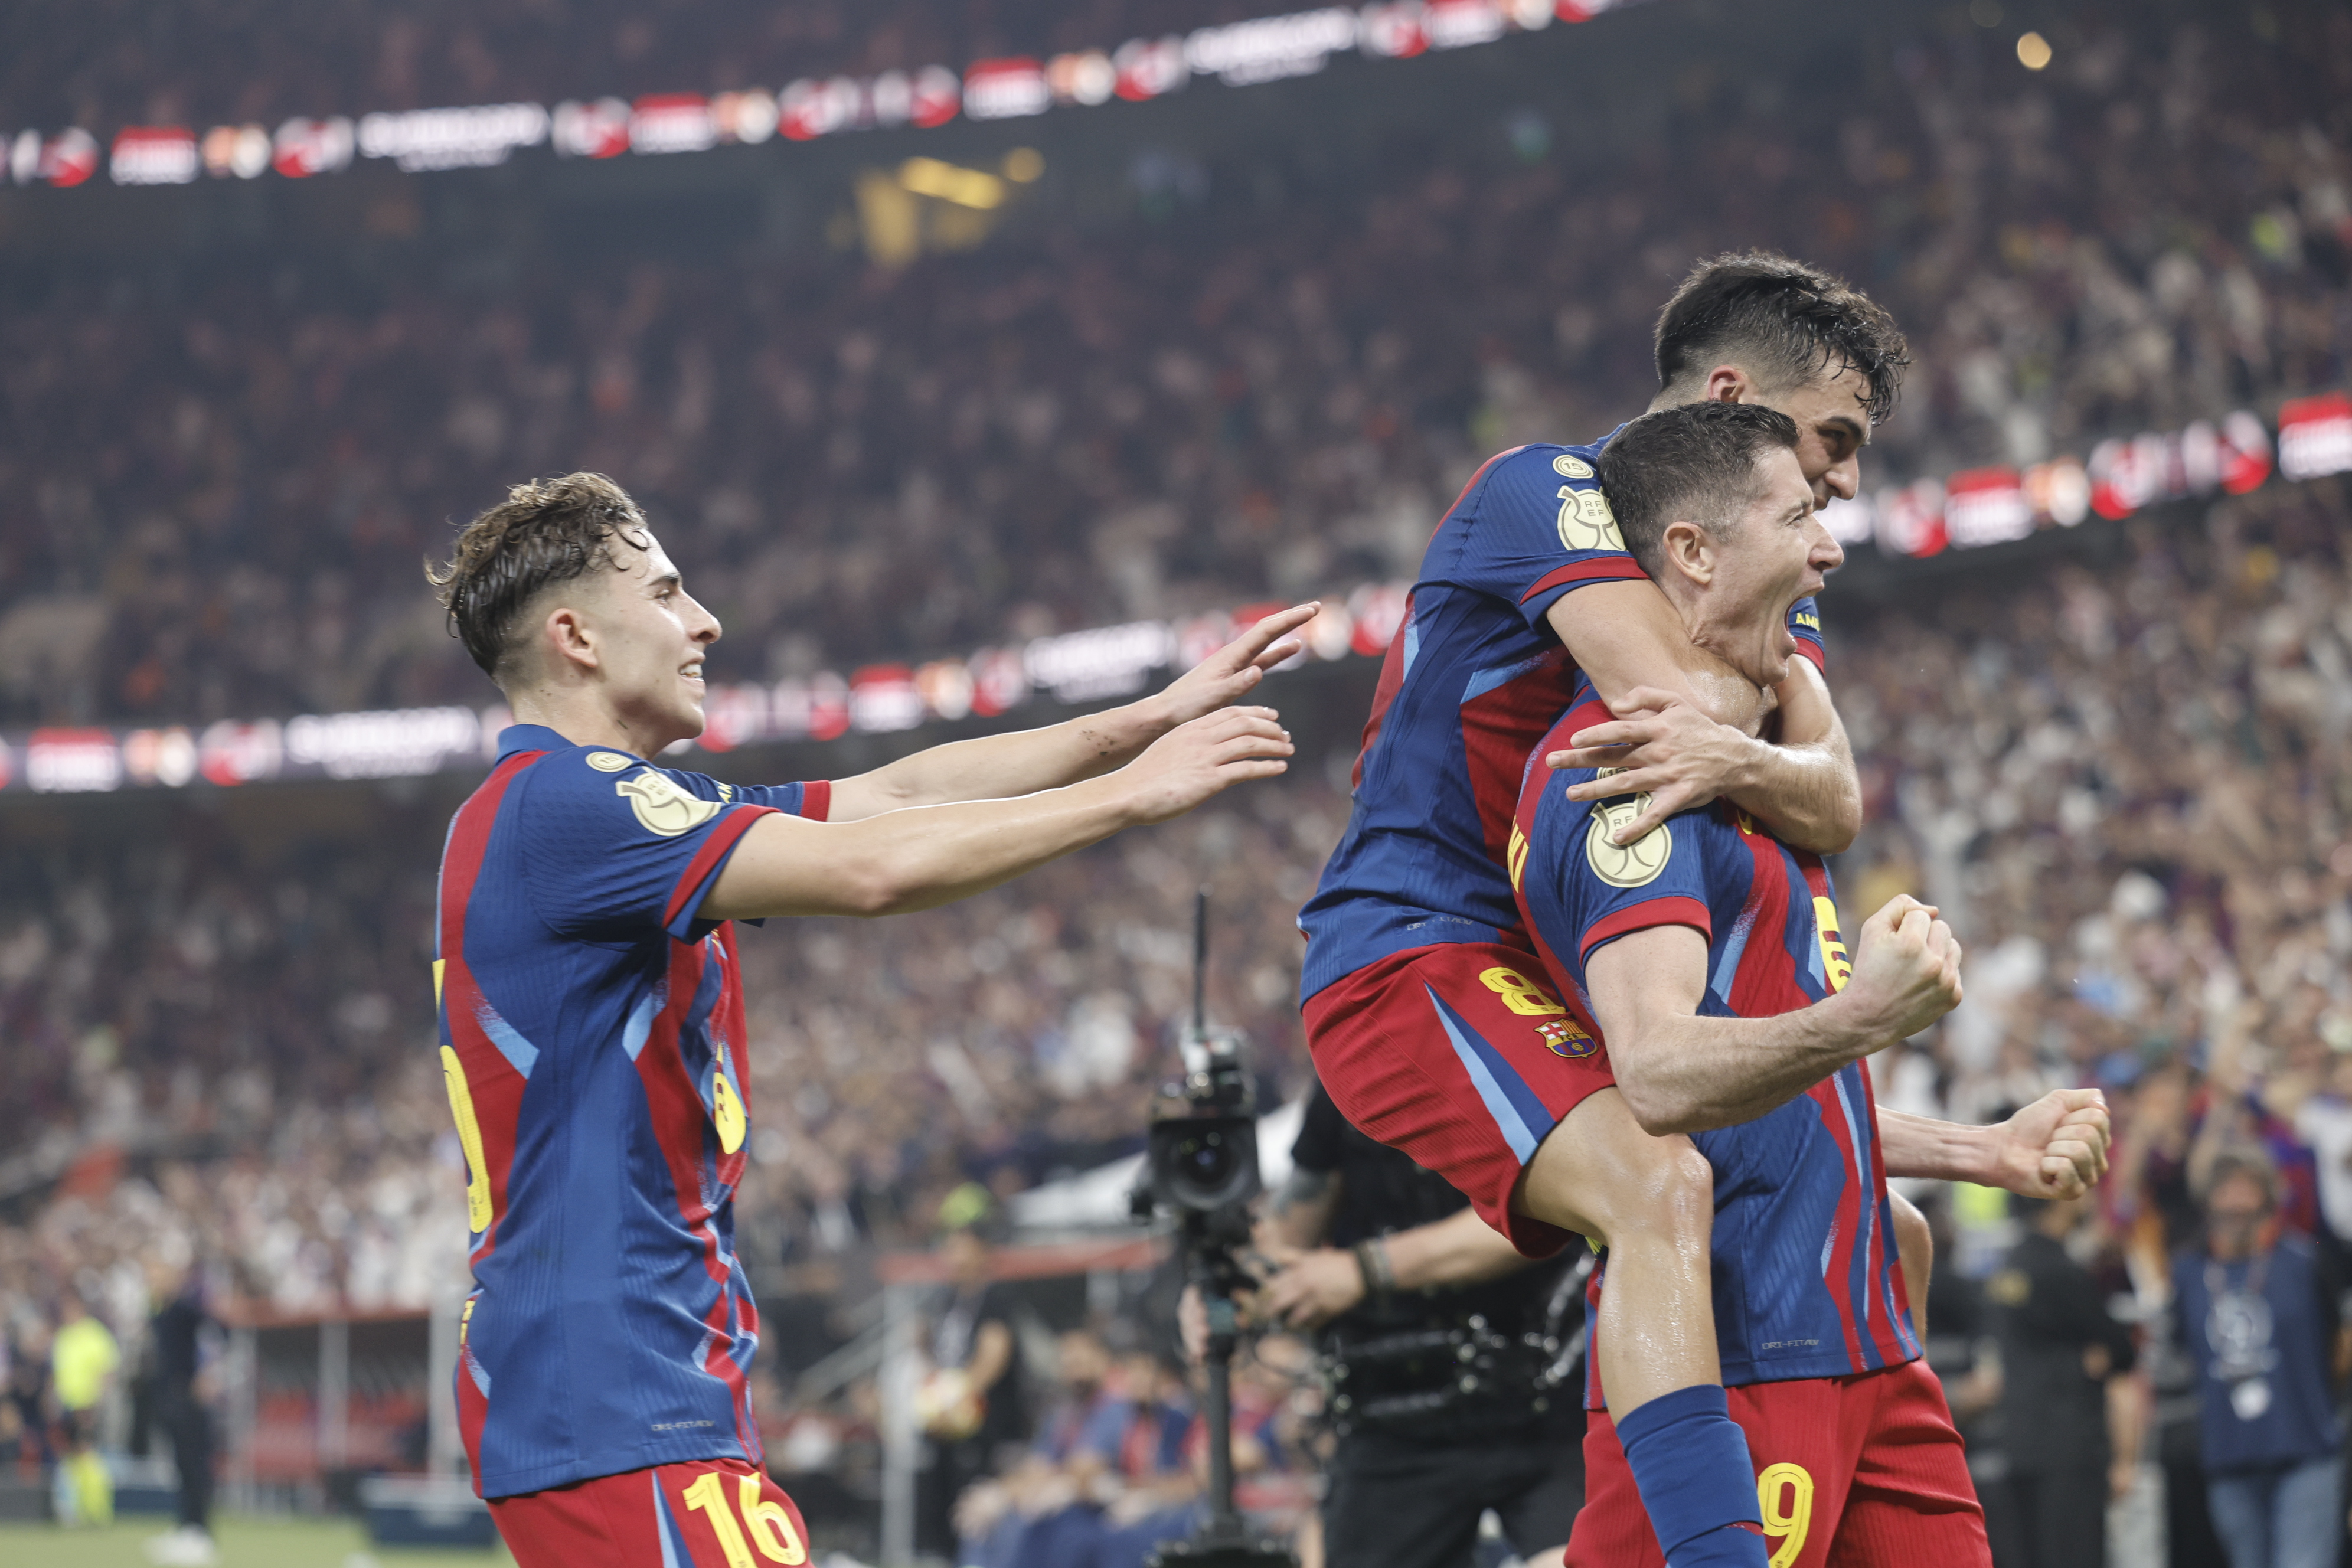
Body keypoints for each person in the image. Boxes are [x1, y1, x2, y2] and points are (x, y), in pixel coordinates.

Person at [421, 472, 1308, 1566]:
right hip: (610, 1390)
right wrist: (1132, 794)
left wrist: (1142, 720)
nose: (705, 621)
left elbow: (891, 796)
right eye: (665, 592)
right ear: (576, 637)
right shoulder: (568, 807)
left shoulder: (583, 809)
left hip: (625, 1386)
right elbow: (873, 868)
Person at [1301, 251, 1931, 1568]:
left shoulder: (1755, 554)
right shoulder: (1546, 491)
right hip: (1418, 946)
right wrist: (1763, 728)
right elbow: (1681, 705)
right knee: (1659, 1182)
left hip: (1555, 959)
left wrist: (1756, 740)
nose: (1842, 486)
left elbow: (1834, 803)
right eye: (1832, 438)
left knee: (1779, 1199)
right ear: (1730, 396)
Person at [1506, 401, 2112, 1567]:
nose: (1828, 549)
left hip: (1870, 1351)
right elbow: (1660, 1071)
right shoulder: (1627, 778)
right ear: (1693, 551)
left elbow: (1784, 1100)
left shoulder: (1750, 778)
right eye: (1796, 518)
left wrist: (1980, 1148)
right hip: (1738, 1357)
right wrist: (1863, 1014)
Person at [1256, 1080, 1583, 1568]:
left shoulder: (1520, 1052)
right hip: (1395, 1418)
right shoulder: (1345, 1074)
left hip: (1548, 1403)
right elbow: (1284, 1240)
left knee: (1579, 1558)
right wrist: (1226, 1288)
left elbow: (1544, 1212)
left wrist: (1365, 1270)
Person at [2172, 1146, 2348, 1568]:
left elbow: (2341, 1346)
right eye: (2226, 1192)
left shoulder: (2304, 1261)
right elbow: (2181, 1351)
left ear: (2268, 1201)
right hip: (2229, 1457)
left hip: (2305, 1450)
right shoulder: (2189, 1272)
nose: (2236, 1204)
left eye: (2246, 1191)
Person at [1985, 1192, 2142, 1568]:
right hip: (2071, 1445)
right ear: (2055, 1199)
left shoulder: (2009, 1266)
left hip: (2020, 1442)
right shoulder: (2060, 1270)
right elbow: (2121, 1349)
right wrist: (2089, 1356)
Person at [921, 1221, 1028, 1556]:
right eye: (949, 1248)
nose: (953, 1257)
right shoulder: (947, 1300)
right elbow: (936, 1352)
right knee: (941, 1500)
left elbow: (993, 1355)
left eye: (961, 1248)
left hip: (986, 1422)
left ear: (983, 1253)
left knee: (974, 1506)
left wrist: (954, 1399)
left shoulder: (995, 1299)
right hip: (949, 1422)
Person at [144, 1261, 219, 1568]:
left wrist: (209, 1373)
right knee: (180, 1466)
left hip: (188, 1397)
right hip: (169, 1398)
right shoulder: (159, 1312)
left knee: (194, 1465)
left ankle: (201, 1532)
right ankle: (186, 1527)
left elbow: (216, 1335)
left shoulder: (186, 1309)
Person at [49, 1289, 119, 1527]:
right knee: (71, 1458)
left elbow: (106, 1371)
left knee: (88, 1455)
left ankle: (98, 1510)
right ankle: (75, 1510)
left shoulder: (95, 1335)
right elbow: (58, 1372)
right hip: (67, 1405)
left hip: (87, 1406)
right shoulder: (63, 1337)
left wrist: (97, 1404)